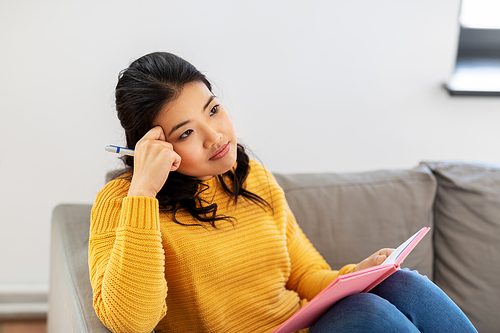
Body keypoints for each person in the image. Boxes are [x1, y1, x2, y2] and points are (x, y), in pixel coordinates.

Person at [89, 52, 477, 333]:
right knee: (370, 315)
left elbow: (303, 273)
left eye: (213, 110)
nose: (216, 136)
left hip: (302, 324)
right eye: (186, 133)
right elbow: (131, 323)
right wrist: (143, 191)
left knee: (401, 282)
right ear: (151, 146)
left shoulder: (251, 177)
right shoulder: (125, 203)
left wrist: (355, 275)